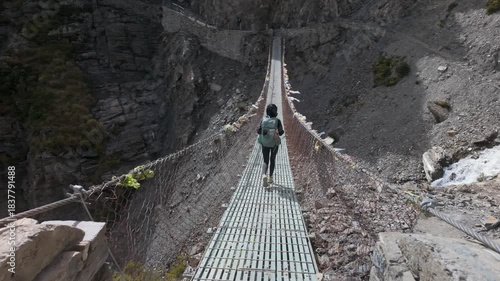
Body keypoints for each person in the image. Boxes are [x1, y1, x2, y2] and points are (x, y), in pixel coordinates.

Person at [257, 104, 284, 187]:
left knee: (265, 160)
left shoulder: (263, 120)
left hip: (264, 143)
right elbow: (281, 132)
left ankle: (264, 175)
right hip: (274, 144)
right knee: (272, 159)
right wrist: (275, 132)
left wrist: (266, 131)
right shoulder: (277, 121)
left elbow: (258, 131)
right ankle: (270, 178)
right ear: (275, 112)